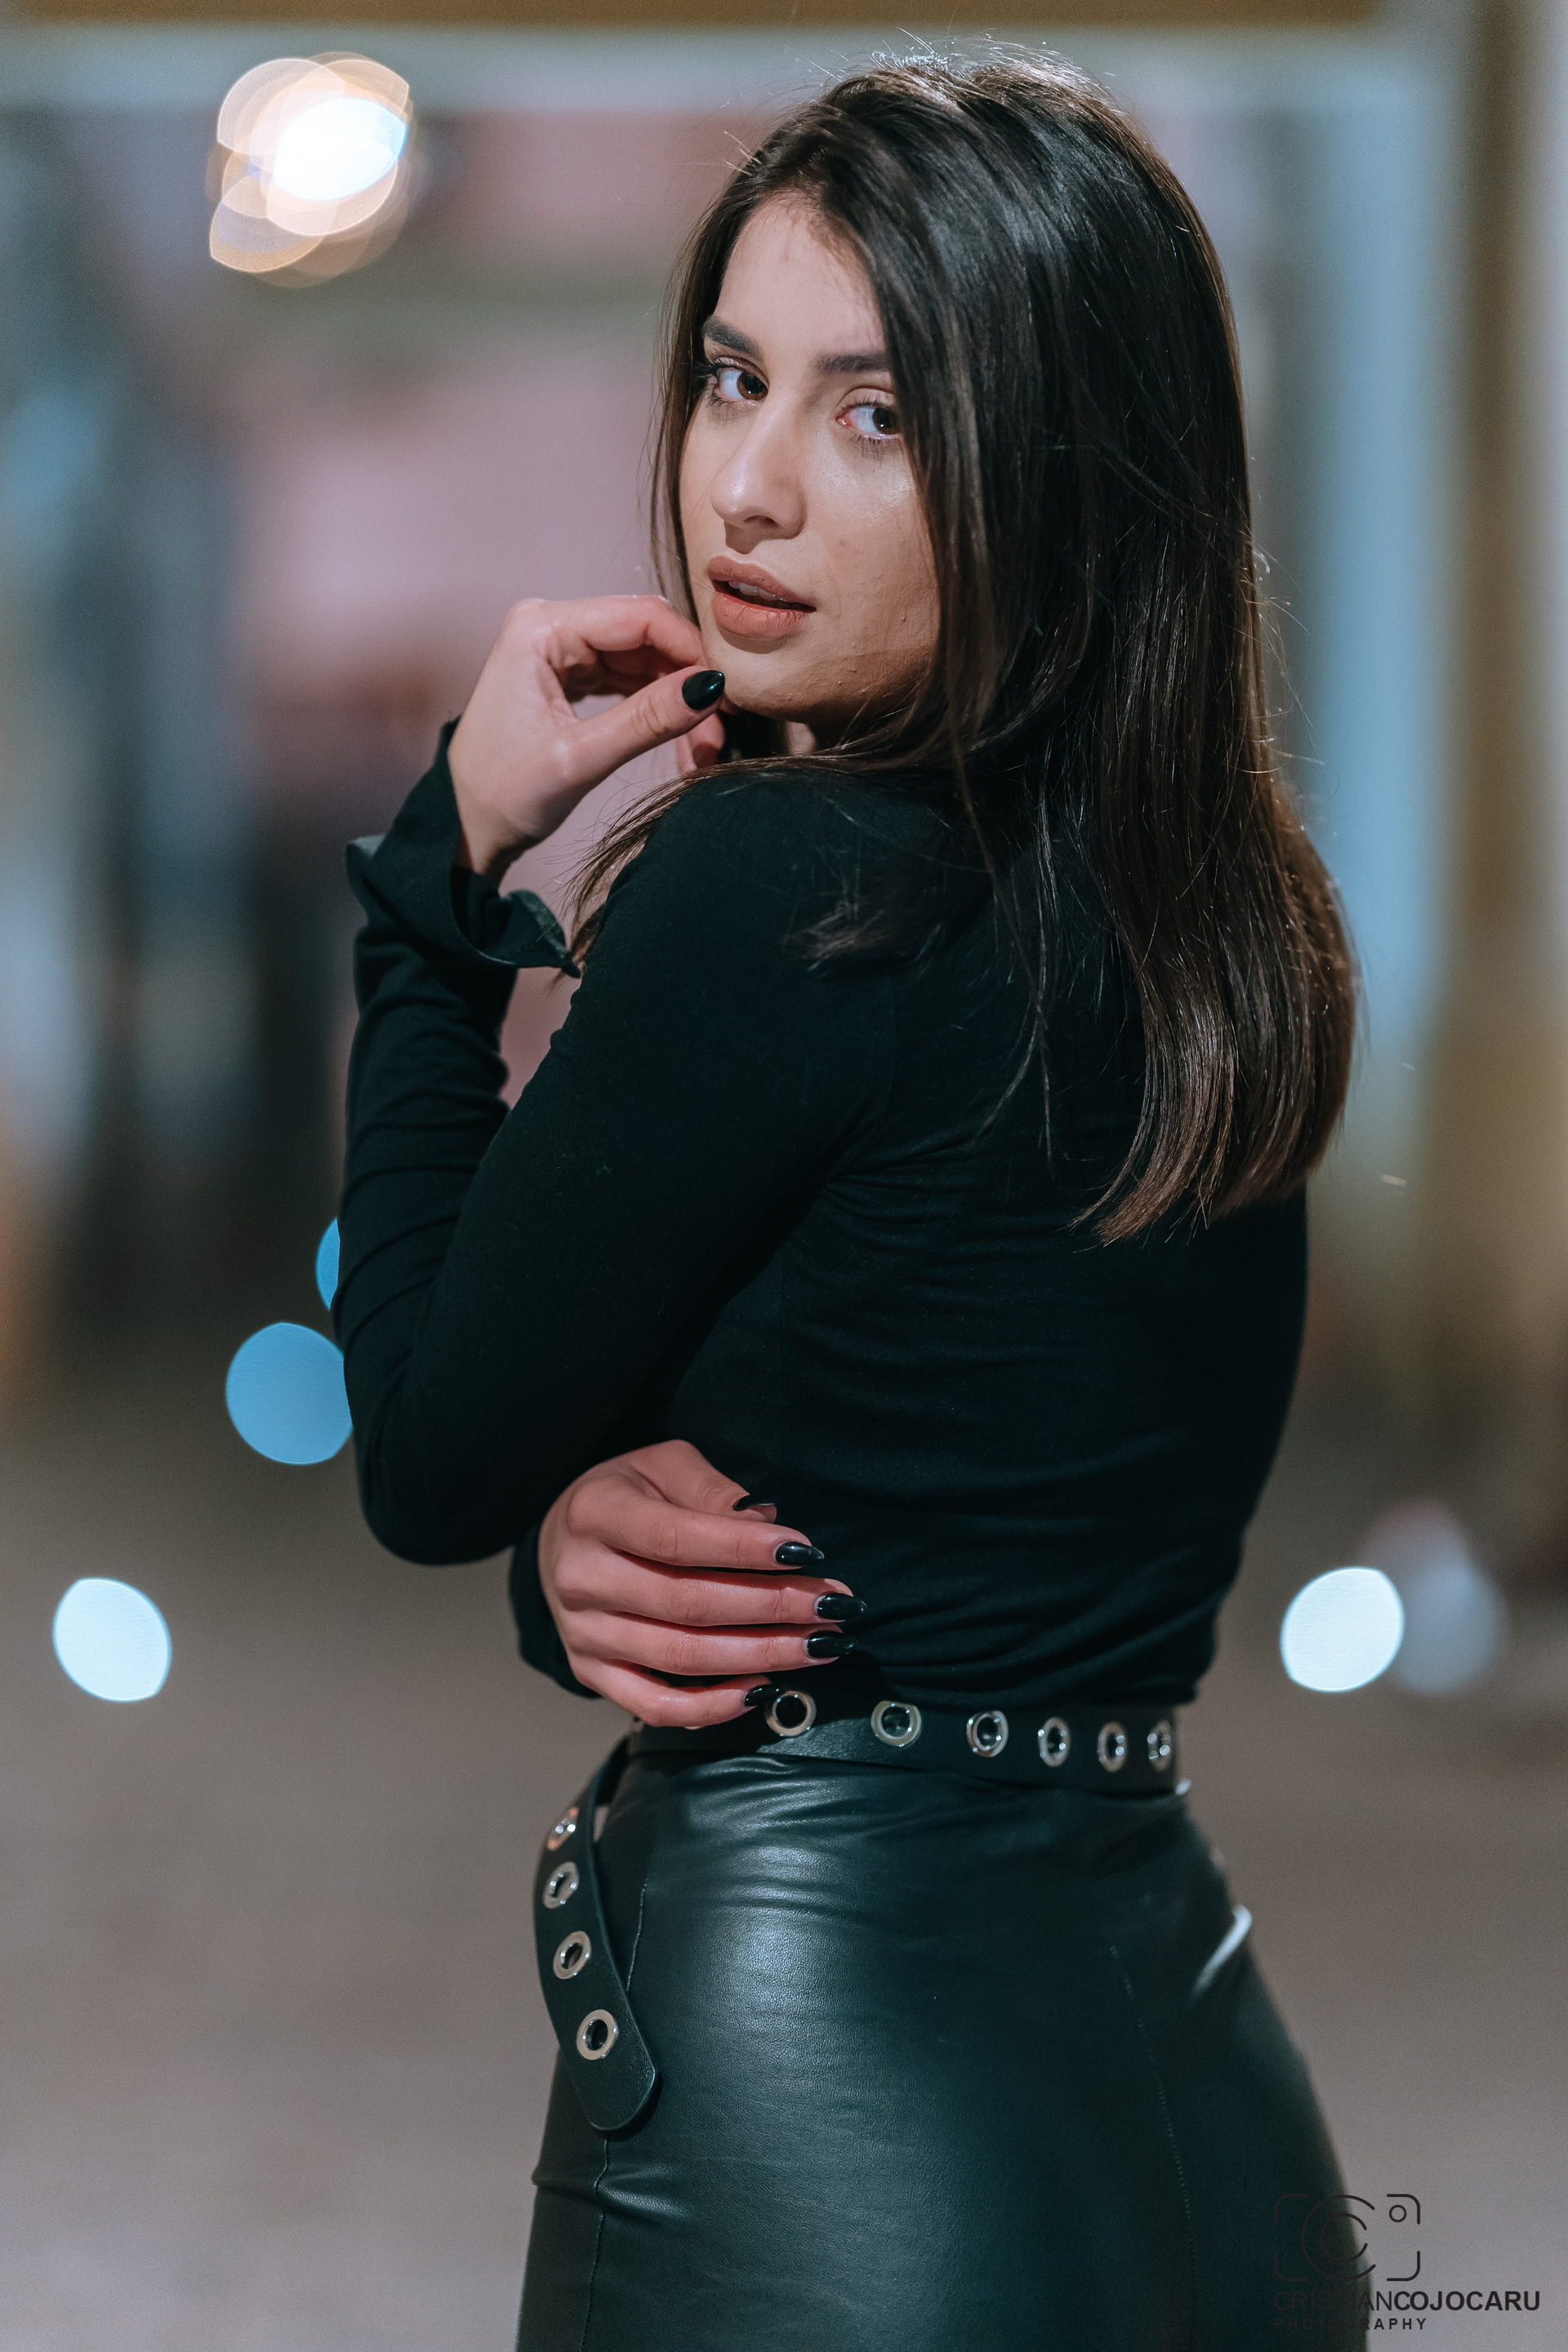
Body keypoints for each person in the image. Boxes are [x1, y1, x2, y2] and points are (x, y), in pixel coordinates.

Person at [335, 54, 1363, 2352]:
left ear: (1068, 479)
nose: (752, 486)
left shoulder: (785, 886)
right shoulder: (1229, 935)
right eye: (733, 378)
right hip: (1201, 2099)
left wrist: (438, 883)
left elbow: (423, 1451)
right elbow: (968, 1490)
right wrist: (579, 1563)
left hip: (838, 2105)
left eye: (877, 415)